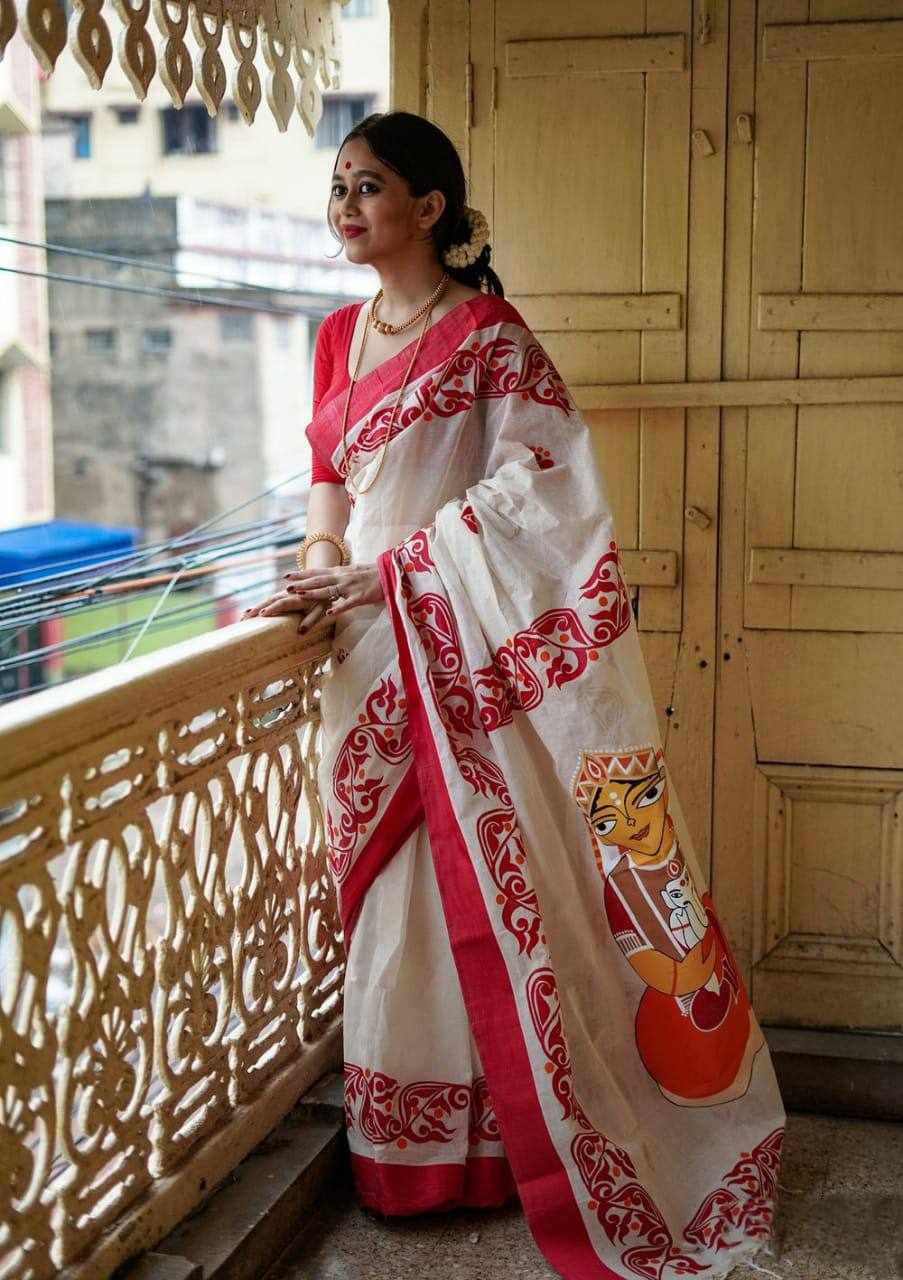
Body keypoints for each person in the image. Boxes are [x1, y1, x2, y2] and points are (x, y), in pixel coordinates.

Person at [243, 111, 785, 1280]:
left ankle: (493, 1149)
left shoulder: (488, 335)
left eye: (367, 186)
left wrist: (392, 572)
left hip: (449, 637)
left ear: (429, 206)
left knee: (473, 888)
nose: (344, 207)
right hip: (362, 647)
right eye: (337, 187)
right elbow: (330, 479)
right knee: (389, 906)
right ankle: (404, 1144)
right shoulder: (337, 335)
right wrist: (319, 564)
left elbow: (545, 490)